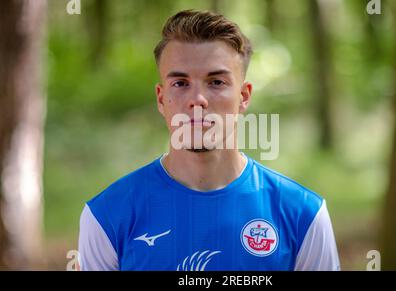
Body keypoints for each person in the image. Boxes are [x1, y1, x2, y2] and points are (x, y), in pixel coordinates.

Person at [78, 9, 340, 271]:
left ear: (244, 96)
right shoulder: (107, 216)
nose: (198, 99)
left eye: (216, 82)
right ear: (161, 99)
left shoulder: (303, 214)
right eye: (180, 83)